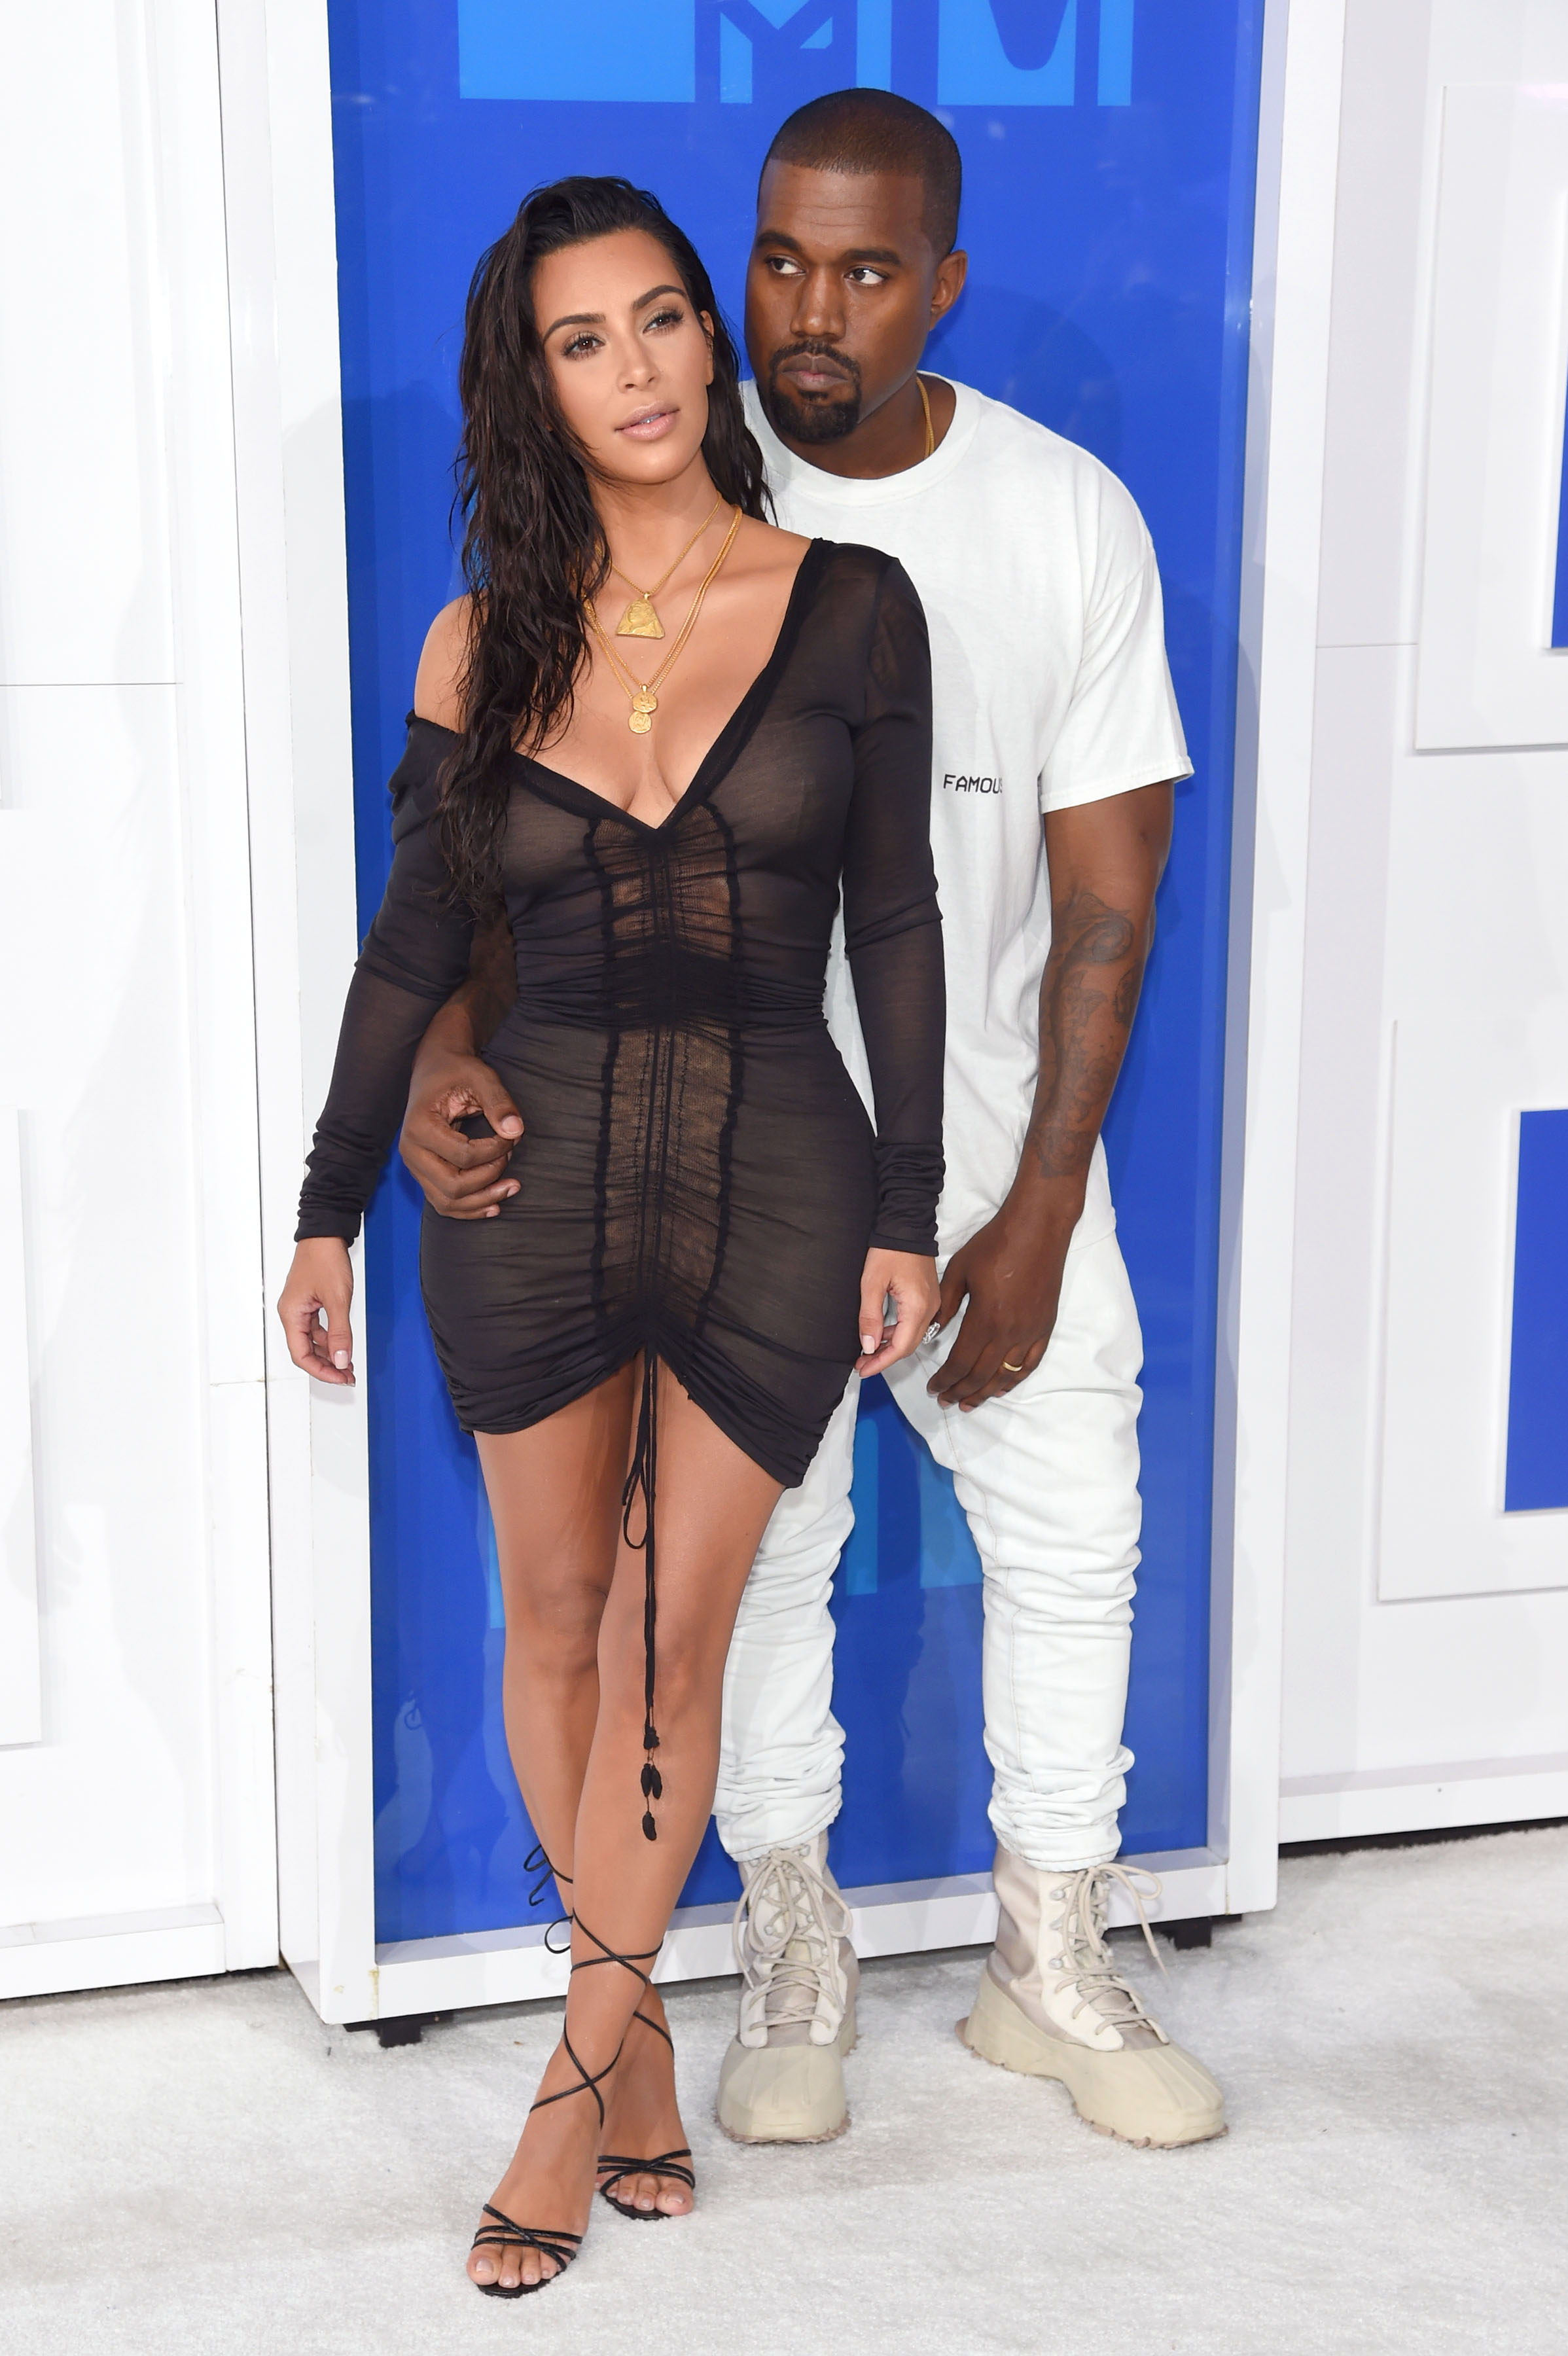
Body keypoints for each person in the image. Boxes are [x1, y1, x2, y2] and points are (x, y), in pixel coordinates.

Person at [401, 94, 1226, 2160]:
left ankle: (1052, 1950)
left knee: (1069, 1525)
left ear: (944, 283)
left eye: (865, 269)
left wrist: (1030, 1210)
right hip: (724, 1153)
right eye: (775, 261)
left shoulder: (1062, 520)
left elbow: (1106, 909)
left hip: (989, 1151)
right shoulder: (647, 484)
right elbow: (523, 858)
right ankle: (790, 1935)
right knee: (746, 1568)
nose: (805, 310)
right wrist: (448, 1054)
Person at [277, 174, 945, 2293]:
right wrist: (329, 1194)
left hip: (774, 1168)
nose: (641, 369)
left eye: (662, 318)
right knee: (553, 1615)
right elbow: (415, 942)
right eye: (586, 340)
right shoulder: (481, 643)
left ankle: (564, 2100)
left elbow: (900, 926)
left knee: (673, 1636)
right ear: (533, 383)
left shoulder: (848, 604)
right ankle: (642, 2055)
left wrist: (916, 1207)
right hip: (531, 1166)